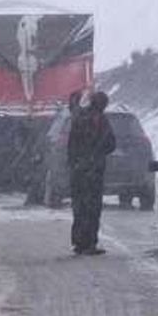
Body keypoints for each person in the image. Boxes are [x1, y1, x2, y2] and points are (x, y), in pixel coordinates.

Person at [67, 90, 115, 254]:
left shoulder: (79, 117)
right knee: (92, 208)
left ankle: (78, 242)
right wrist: (97, 154)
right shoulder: (101, 121)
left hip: (78, 170)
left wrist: (75, 162)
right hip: (94, 171)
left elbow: (71, 144)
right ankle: (90, 243)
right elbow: (111, 144)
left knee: (79, 207)